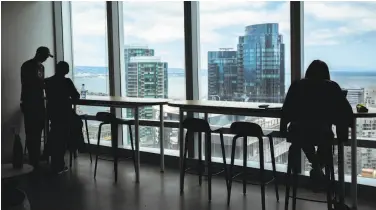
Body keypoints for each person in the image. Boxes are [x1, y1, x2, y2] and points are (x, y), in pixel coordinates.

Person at [280, 60, 353, 187]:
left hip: (298, 132)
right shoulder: (331, 87)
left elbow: (286, 110)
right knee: (324, 139)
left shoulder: (297, 85)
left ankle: (316, 168)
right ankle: (318, 168)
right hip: (322, 133)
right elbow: (346, 112)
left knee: (303, 135)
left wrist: (283, 129)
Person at [20, 46, 53, 168]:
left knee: (38, 128)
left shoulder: (39, 66)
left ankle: (35, 156)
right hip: (30, 101)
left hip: (37, 101)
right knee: (31, 130)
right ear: (39, 54)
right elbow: (31, 83)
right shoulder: (28, 66)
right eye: (45, 56)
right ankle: (33, 157)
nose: (46, 59)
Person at [44, 61, 80, 174]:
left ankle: (50, 155)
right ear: (66, 70)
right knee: (63, 137)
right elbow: (76, 96)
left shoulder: (48, 81)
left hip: (52, 113)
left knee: (55, 134)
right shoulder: (67, 81)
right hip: (64, 113)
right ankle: (59, 164)